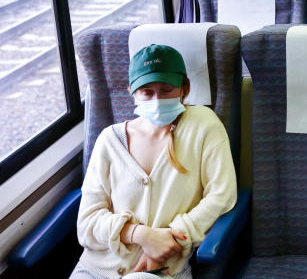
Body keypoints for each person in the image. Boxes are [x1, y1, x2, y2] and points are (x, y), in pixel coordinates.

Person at [73, 45, 236, 278]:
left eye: (166, 89)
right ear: (132, 91)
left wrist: (171, 239)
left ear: (184, 88)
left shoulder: (203, 125)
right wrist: (141, 235)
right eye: (147, 92)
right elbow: (87, 224)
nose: (157, 99)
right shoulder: (109, 140)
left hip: (163, 270)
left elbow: (222, 195)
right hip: (96, 268)